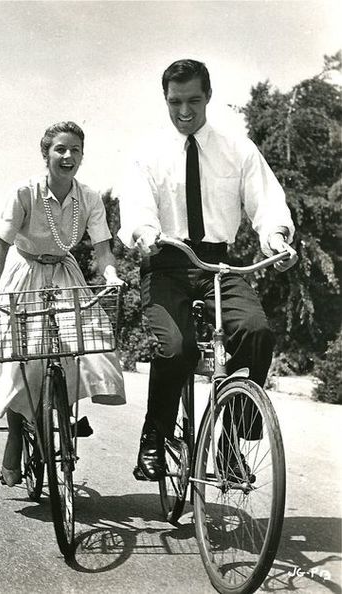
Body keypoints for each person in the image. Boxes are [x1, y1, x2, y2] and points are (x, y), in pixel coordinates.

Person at [118, 59, 298, 481]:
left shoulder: (238, 148)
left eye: (194, 100)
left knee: (256, 332)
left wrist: (276, 237)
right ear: (165, 99)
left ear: (209, 97)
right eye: (175, 101)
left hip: (219, 264)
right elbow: (137, 206)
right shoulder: (147, 152)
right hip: (166, 263)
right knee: (176, 349)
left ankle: (231, 438)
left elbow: (266, 200)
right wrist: (146, 232)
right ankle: (154, 436)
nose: (185, 111)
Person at [0, 121, 125, 486]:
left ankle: (62, 407)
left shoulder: (89, 198)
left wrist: (110, 276)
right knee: (17, 353)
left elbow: (103, 251)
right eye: (60, 149)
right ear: (46, 153)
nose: (68, 156)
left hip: (64, 273)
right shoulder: (24, 192)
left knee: (86, 339)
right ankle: (16, 434)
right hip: (23, 271)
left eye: (75, 150)